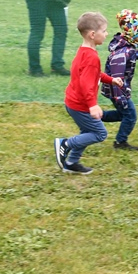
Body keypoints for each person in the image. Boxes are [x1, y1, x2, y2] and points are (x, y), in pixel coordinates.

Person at [53, 13, 124, 175]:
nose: (106, 34)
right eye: (104, 31)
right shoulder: (91, 57)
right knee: (99, 133)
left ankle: (71, 162)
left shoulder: (84, 52)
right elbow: (86, 84)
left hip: (74, 102)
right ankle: (65, 144)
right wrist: (92, 105)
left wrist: (111, 80)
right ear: (93, 34)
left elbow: (94, 74)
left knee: (87, 132)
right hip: (80, 105)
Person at [100, 10, 138, 151]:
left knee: (123, 115)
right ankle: (120, 142)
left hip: (119, 90)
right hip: (118, 91)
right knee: (130, 116)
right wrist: (120, 96)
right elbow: (116, 77)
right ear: (132, 33)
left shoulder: (127, 47)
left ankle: (96, 117)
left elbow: (131, 52)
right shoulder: (121, 55)